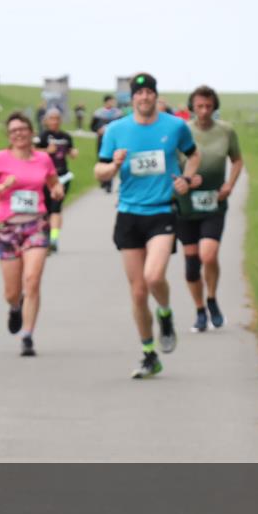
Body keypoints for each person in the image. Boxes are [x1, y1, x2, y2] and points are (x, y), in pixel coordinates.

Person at [93, 73, 202, 379]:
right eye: (138, 93)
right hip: (129, 214)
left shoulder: (174, 126)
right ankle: (149, 353)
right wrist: (113, 166)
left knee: (154, 277)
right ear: (132, 98)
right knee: (138, 292)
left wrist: (187, 179)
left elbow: (194, 156)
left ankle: (165, 313)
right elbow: (99, 172)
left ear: (156, 96)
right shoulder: (115, 130)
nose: (144, 98)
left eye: (149, 93)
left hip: (162, 211)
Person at [0, 112, 63, 357]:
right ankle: (15, 307)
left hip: (35, 225)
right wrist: (1, 187)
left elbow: (53, 182)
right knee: (12, 291)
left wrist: (56, 190)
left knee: (32, 280)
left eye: (23, 129)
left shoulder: (43, 158)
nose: (19, 134)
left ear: (31, 131)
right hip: (8, 228)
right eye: (13, 130)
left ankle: (27, 334)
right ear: (9, 135)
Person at [177, 85, 243, 331]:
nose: (204, 111)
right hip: (185, 205)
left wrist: (230, 184)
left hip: (214, 202)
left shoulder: (226, 131)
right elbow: (173, 164)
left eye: (208, 106)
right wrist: (183, 180)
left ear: (215, 106)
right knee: (192, 264)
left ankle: (212, 298)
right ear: (192, 107)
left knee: (209, 254)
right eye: (199, 106)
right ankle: (200, 310)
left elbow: (237, 160)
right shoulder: (182, 131)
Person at [33, 107, 78, 253]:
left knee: (56, 208)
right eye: (51, 118)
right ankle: (45, 235)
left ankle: (54, 238)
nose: (54, 121)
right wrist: (47, 151)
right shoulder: (43, 136)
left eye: (57, 118)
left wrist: (73, 152)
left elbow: (71, 150)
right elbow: (32, 152)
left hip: (62, 177)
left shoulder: (66, 136)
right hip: (45, 178)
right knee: (45, 209)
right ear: (46, 120)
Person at [90, 95, 124, 193]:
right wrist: (98, 130)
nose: (112, 103)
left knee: (112, 161)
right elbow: (92, 126)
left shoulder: (117, 114)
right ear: (106, 102)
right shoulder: (98, 113)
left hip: (114, 142)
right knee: (102, 159)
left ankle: (109, 184)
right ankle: (103, 181)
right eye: (110, 101)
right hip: (102, 140)